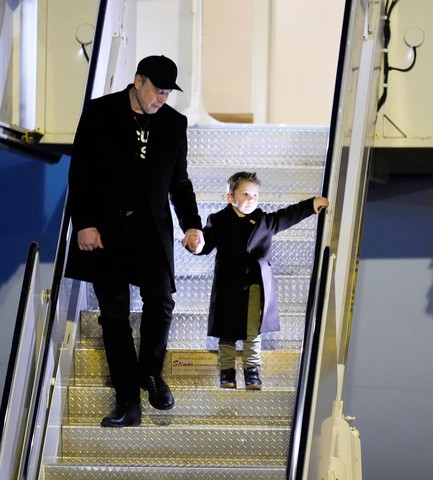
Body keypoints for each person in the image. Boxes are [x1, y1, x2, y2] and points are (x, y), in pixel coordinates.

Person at [65, 55, 205, 428]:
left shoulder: (174, 123)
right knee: (115, 314)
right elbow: (80, 173)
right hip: (106, 230)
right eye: (157, 91)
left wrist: (192, 225)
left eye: (167, 93)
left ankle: (152, 374)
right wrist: (85, 224)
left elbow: (180, 182)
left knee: (161, 299)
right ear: (138, 80)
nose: (161, 99)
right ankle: (128, 401)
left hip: (150, 229)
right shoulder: (100, 112)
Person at [198, 171, 328, 390]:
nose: (251, 200)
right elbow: (205, 243)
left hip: (255, 287)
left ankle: (252, 370)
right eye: (245, 194)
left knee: (252, 330)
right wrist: (196, 243)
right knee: (226, 332)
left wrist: (310, 205)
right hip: (228, 287)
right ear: (231, 197)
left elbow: (288, 215)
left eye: (255, 195)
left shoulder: (264, 221)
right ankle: (227, 372)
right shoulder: (218, 220)